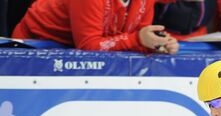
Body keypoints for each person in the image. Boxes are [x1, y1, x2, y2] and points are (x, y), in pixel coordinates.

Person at [12, 0, 179, 54]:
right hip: (36, 44)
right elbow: (88, 45)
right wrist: (138, 39)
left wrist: (158, 45)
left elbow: (139, 39)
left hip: (80, 45)